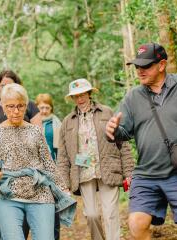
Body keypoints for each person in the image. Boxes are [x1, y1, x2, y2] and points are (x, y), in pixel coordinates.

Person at [105, 42, 177, 240]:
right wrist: (112, 131)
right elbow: (123, 132)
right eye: (137, 66)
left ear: (162, 65)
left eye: (145, 66)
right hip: (147, 173)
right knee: (137, 225)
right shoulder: (133, 97)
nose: (140, 71)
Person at [0, 83, 76, 240]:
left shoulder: (35, 131)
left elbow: (48, 163)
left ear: (26, 106)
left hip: (40, 194)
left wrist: (63, 188)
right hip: (7, 197)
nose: (16, 111)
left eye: (20, 106)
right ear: (2, 106)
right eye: (10, 106)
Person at [58, 78, 134, 240]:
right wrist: (63, 183)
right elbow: (63, 156)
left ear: (89, 94)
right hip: (83, 171)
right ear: (72, 98)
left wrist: (129, 171)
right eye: (76, 96)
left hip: (108, 167)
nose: (80, 99)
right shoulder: (67, 122)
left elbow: (123, 142)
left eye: (83, 94)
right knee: (91, 214)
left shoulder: (106, 112)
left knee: (110, 214)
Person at [0, 70, 41, 238]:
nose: (5, 88)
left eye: (9, 85)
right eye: (2, 85)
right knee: (0, 213)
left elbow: (38, 138)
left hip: (24, 171)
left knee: (21, 217)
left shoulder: (30, 106)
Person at [35, 93, 62, 240]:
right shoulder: (31, 123)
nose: (44, 111)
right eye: (41, 107)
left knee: (54, 207)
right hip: (36, 171)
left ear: (51, 108)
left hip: (53, 170)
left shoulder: (56, 123)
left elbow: (61, 149)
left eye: (47, 107)